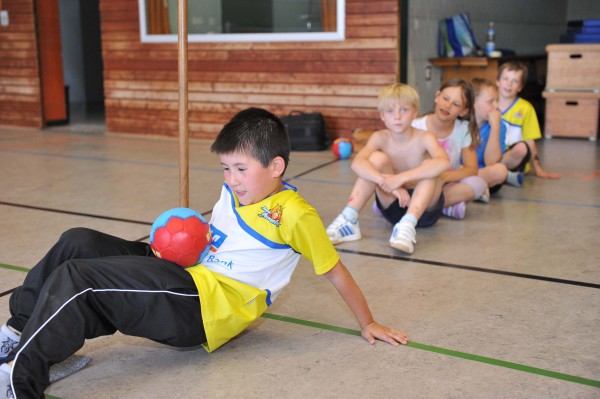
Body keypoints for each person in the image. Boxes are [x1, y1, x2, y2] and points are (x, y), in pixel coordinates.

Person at [0, 108, 409, 399]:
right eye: (225, 169)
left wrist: (368, 321)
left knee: (79, 279)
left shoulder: (295, 215)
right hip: (187, 273)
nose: (231, 180)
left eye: (241, 169)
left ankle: (20, 380)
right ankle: (18, 335)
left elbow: (334, 270)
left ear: (277, 166)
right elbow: (220, 230)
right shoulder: (237, 187)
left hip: (204, 306)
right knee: (78, 241)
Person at [325, 83, 450, 255]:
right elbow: (357, 163)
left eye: (404, 110)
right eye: (390, 111)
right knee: (375, 159)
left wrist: (401, 178)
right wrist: (387, 182)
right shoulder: (380, 138)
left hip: (426, 210)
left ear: (415, 113)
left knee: (431, 166)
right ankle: (349, 219)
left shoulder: (425, 137)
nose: (397, 117)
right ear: (383, 116)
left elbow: (444, 162)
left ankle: (408, 224)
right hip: (394, 205)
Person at [412, 79, 487, 219]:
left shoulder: (463, 130)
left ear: (464, 111)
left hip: (446, 184)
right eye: (445, 98)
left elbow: (471, 169)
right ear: (437, 96)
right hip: (416, 183)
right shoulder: (415, 126)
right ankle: (442, 207)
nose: (447, 105)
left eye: (456, 104)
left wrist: (444, 177)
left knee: (478, 184)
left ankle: (420, 207)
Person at [497, 61, 560, 185]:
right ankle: (502, 175)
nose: (509, 84)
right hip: (490, 154)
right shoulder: (488, 104)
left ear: (520, 87)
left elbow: (530, 141)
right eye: (506, 79)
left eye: (515, 81)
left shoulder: (526, 108)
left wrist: (538, 169)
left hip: (511, 159)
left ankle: (496, 172)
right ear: (498, 81)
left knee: (521, 149)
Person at [472, 77, 508, 199]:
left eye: (497, 100)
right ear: (473, 103)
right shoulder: (460, 123)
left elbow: (491, 162)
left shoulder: (500, 127)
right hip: (459, 171)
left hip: (481, 173)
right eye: (490, 101)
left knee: (501, 170)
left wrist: (495, 127)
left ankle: (471, 188)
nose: (496, 105)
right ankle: (476, 189)